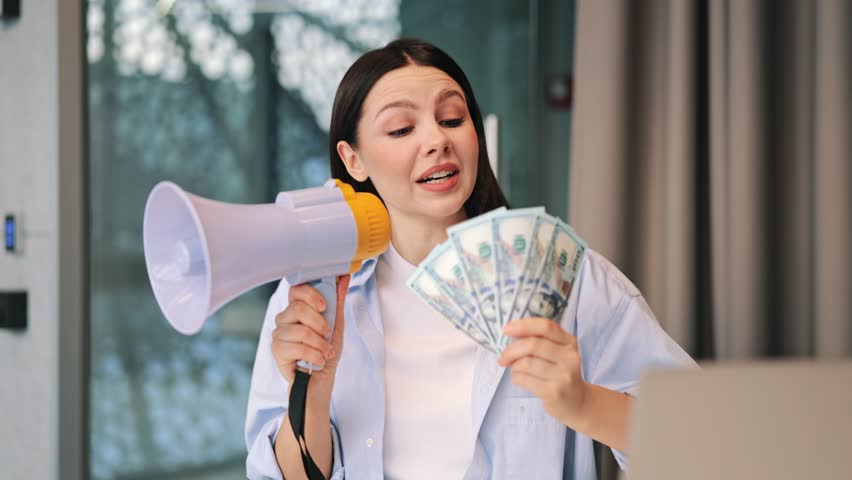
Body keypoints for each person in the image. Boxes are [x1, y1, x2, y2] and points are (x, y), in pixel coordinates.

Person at [245, 38, 695, 480]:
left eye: (452, 118)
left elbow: (694, 440)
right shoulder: (313, 297)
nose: (437, 139)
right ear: (353, 159)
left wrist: (582, 402)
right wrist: (314, 394)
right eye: (402, 129)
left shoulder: (569, 281)